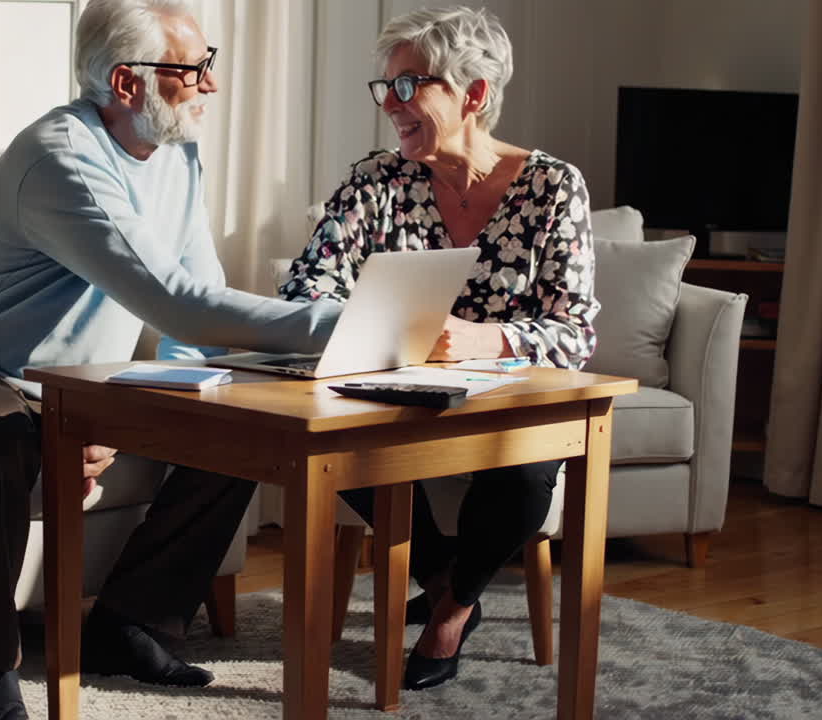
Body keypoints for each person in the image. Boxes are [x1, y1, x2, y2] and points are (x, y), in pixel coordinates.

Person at [0, 1, 342, 717]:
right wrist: (342, 327)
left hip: (74, 385)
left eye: (208, 65)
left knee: (240, 422)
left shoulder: (178, 152)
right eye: (193, 71)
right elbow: (175, 300)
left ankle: (130, 621)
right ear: (128, 83)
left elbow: (197, 308)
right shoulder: (59, 159)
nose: (210, 87)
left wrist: (168, 402)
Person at [280, 5, 599, 692]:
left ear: (473, 95)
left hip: (506, 400)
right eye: (385, 89)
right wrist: (362, 321)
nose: (390, 106)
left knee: (523, 476)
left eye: (408, 87)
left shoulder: (551, 188)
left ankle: (449, 610)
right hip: (391, 392)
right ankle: (449, 579)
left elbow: (575, 332)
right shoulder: (376, 182)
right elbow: (304, 289)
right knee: (337, 447)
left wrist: (492, 337)